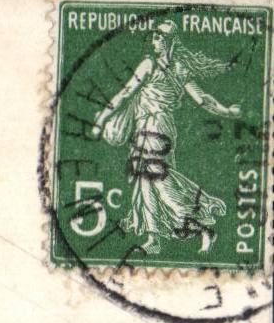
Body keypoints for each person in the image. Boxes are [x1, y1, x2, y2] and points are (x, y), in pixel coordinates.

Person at [90, 20, 241, 255]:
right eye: (154, 35)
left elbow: (201, 99)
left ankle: (201, 222)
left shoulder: (166, 67)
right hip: (147, 128)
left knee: (158, 180)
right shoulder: (161, 65)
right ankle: (154, 239)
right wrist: (101, 118)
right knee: (146, 182)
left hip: (156, 127)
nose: (154, 40)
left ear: (171, 40)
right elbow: (126, 93)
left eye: (159, 36)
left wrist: (227, 111)